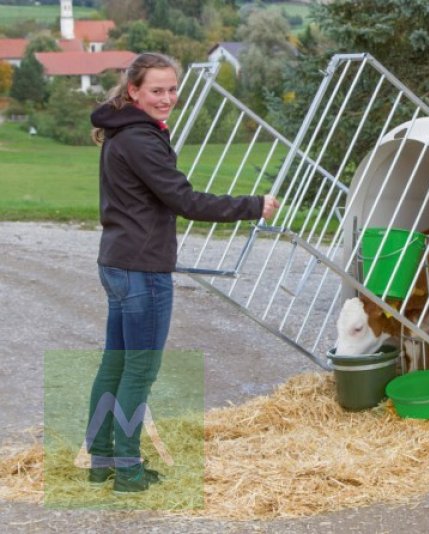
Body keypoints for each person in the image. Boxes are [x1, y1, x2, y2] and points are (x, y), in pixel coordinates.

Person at [85, 52, 280, 493]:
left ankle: (101, 460)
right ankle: (129, 471)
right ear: (133, 90)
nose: (168, 98)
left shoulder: (124, 130)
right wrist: (253, 205)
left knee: (114, 366)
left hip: (117, 262)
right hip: (141, 269)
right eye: (157, 90)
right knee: (138, 372)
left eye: (173, 89)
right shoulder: (139, 139)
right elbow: (186, 201)